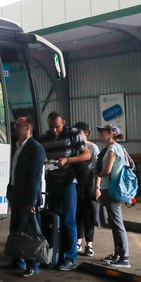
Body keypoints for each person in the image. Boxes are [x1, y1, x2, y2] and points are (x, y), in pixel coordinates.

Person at [38, 112, 91, 271]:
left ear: (64, 123)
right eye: (51, 127)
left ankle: (70, 258)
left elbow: (86, 155)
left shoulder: (72, 134)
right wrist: (44, 160)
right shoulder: (44, 137)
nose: (54, 130)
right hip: (51, 182)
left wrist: (68, 160)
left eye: (57, 126)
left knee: (68, 219)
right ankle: (55, 255)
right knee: (54, 219)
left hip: (68, 181)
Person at [3, 117, 46, 277]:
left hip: (28, 197)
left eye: (18, 126)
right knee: (16, 229)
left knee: (30, 231)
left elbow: (34, 176)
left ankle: (33, 265)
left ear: (28, 128)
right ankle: (17, 260)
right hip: (16, 194)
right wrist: (10, 189)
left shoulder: (36, 148)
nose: (16, 129)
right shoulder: (19, 146)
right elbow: (14, 171)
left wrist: (31, 201)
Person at [96, 125, 131, 268]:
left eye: (102, 132)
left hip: (111, 189)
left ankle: (124, 257)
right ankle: (118, 254)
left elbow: (107, 170)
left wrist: (99, 175)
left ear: (110, 134)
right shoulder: (119, 148)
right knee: (114, 222)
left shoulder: (112, 148)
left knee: (117, 223)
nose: (100, 134)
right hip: (111, 189)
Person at [73, 122, 100, 257]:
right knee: (78, 214)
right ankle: (78, 241)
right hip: (76, 186)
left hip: (89, 186)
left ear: (86, 133)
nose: (77, 135)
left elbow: (98, 170)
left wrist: (97, 188)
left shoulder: (93, 148)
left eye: (79, 132)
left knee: (89, 215)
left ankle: (89, 244)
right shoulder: (74, 148)